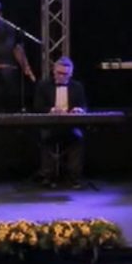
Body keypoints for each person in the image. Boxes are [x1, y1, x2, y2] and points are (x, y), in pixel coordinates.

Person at [32, 57, 88, 189]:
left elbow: (83, 105)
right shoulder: (43, 86)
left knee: (78, 139)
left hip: (70, 125)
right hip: (50, 125)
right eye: (59, 73)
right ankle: (47, 176)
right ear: (54, 71)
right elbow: (37, 107)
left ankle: (74, 177)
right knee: (45, 138)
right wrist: (51, 110)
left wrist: (79, 110)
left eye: (65, 74)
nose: (62, 76)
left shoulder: (77, 87)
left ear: (71, 74)